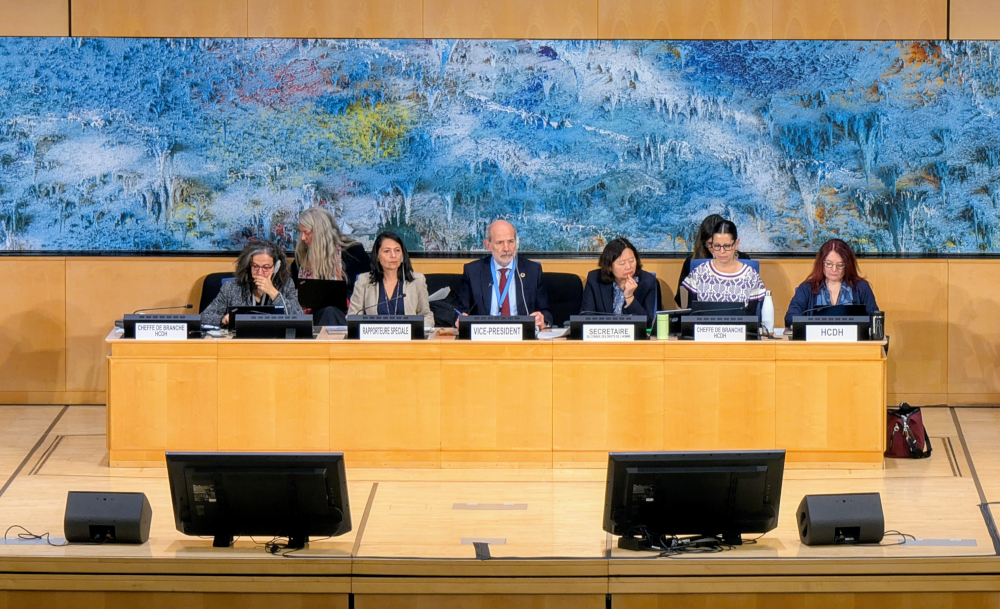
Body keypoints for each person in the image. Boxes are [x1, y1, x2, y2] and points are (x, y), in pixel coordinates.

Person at [458, 220, 552, 329]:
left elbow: (546, 313)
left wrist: (542, 320)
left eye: (511, 241)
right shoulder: (473, 271)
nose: (507, 248)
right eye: (500, 243)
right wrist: (460, 320)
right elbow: (461, 312)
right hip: (485, 337)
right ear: (488, 245)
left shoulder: (532, 271)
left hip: (522, 338)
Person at [201, 240, 303, 327]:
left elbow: (299, 318)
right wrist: (223, 319)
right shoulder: (232, 287)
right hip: (239, 343)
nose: (260, 272)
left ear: (276, 267)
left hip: (273, 343)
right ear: (248, 266)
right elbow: (204, 317)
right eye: (255, 266)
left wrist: (273, 293)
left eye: (266, 267)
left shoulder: (286, 284)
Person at [348, 231, 435, 329]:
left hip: (408, 341)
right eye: (387, 251)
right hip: (374, 341)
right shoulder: (363, 281)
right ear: (377, 256)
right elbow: (353, 317)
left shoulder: (417, 281)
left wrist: (415, 331)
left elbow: (427, 316)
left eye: (397, 250)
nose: (393, 255)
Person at [784, 239, 879, 327]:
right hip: (816, 344)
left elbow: (875, 320)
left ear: (848, 265)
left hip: (852, 344)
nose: (834, 269)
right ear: (821, 263)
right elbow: (790, 318)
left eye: (840, 265)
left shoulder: (861, 287)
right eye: (829, 264)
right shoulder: (807, 288)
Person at [680, 220, 765, 308]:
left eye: (727, 246)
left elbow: (751, 317)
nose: (722, 251)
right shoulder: (699, 273)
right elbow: (691, 312)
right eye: (717, 246)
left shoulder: (750, 276)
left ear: (736, 244)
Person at [292, 206, 370, 297]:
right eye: (301, 233)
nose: (303, 238)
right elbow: (292, 291)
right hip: (309, 309)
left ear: (320, 233)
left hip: (343, 309)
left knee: (329, 310)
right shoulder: (302, 256)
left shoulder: (353, 252)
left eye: (307, 233)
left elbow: (364, 291)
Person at [581, 237, 658, 328]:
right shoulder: (595, 279)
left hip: (634, 339)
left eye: (631, 261)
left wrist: (630, 297)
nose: (629, 267)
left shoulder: (647, 281)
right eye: (622, 263)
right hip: (603, 338)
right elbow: (585, 318)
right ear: (609, 266)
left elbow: (648, 324)